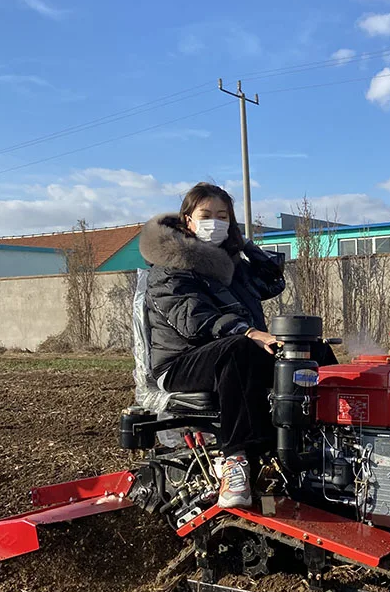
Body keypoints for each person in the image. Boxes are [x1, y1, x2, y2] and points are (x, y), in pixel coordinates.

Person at [139, 182, 334, 509]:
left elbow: (272, 278)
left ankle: (330, 443)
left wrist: (242, 244)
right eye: (206, 215)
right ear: (188, 220)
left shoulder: (230, 267)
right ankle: (236, 461)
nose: (215, 222)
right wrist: (249, 333)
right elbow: (193, 319)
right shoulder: (169, 269)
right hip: (181, 362)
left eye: (223, 216)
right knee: (239, 350)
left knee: (312, 351)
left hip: (234, 350)